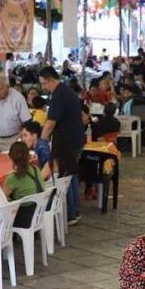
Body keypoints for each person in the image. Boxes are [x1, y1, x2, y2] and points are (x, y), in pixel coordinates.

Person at [40, 66, 85, 225]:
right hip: (74, 140)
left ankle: (70, 213)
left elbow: (51, 122)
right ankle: (74, 211)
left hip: (66, 142)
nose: (43, 87)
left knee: (64, 177)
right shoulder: (67, 92)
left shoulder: (59, 95)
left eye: (44, 83)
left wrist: (42, 140)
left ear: (51, 80)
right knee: (70, 176)